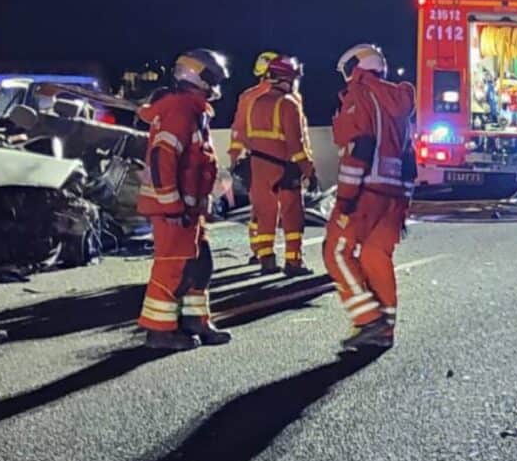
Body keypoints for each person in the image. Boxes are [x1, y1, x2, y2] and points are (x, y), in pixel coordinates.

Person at [135, 48, 231, 351]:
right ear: (197, 76)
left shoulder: (193, 109)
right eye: (212, 77)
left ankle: (195, 321)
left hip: (189, 209)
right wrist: (172, 205)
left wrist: (201, 204)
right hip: (174, 210)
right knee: (172, 268)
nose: (216, 83)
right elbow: (162, 159)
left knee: (200, 265)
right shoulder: (180, 110)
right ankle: (159, 331)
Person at [326, 43, 415, 355]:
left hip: (366, 191)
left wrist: (346, 200)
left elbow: (359, 148)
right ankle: (384, 328)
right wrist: (403, 205)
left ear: (356, 68)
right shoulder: (399, 103)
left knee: (336, 252)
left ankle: (368, 320)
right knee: (375, 256)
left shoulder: (361, 96)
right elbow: (410, 160)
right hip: (393, 195)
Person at [231, 54, 315, 275]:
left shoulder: (255, 101)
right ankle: (293, 262)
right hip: (284, 169)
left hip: (258, 167)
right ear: (288, 78)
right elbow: (296, 145)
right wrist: (309, 170)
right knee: (292, 215)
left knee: (264, 214)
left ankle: (266, 259)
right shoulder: (289, 104)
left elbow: (244, 135)